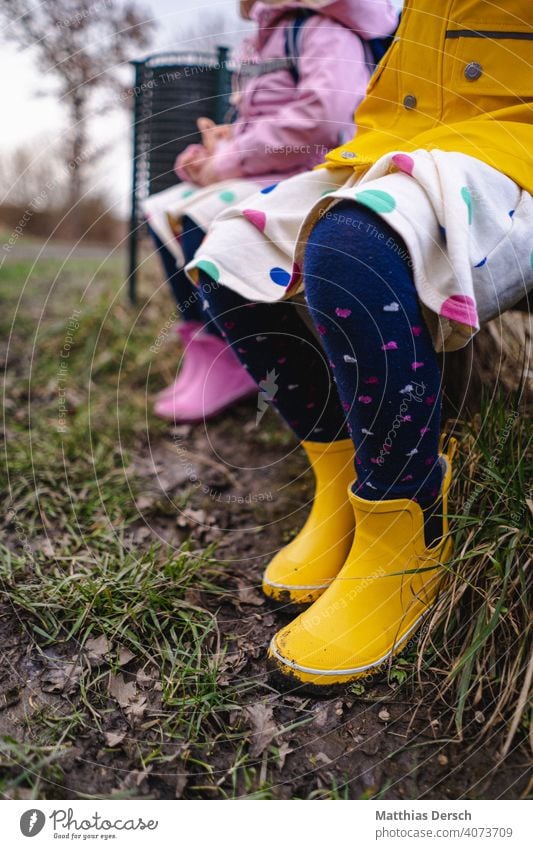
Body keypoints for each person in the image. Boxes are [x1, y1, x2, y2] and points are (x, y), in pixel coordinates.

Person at [185, 0, 533, 691]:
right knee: (228, 248)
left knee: (354, 245)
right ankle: (340, 478)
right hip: (388, 143)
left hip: (509, 149)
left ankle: (407, 518)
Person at [143, 0, 398, 422]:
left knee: (200, 218)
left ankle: (236, 347)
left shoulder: (322, 29)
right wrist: (208, 155)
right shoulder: (264, 40)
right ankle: (209, 345)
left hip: (312, 172)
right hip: (260, 170)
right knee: (159, 210)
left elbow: (325, 117)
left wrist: (227, 162)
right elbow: (253, 123)